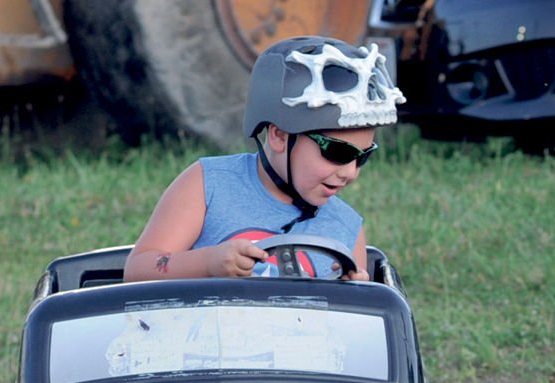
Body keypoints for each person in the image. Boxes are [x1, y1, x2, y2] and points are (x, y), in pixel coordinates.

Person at [122, 36, 405, 282]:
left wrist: (351, 293)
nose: (350, 172)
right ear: (279, 136)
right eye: (337, 152)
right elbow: (138, 269)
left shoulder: (347, 227)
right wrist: (208, 263)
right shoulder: (208, 184)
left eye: (363, 157)